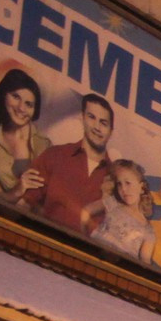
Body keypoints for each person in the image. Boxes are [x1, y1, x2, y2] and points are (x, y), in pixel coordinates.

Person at [25, 94, 115, 230]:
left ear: (111, 131)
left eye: (103, 123)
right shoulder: (55, 155)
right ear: (82, 118)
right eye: (91, 117)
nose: (97, 127)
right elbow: (25, 202)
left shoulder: (116, 178)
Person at [0, 69, 50, 205]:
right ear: (3, 95)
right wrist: (18, 189)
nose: (21, 108)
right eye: (16, 97)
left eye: (28, 104)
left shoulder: (45, 145)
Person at [82, 160, 158, 264]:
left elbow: (145, 262)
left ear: (142, 187)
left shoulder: (148, 230)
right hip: (94, 253)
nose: (124, 189)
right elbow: (86, 211)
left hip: (118, 267)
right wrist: (84, 235)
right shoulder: (113, 203)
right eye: (119, 184)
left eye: (128, 183)